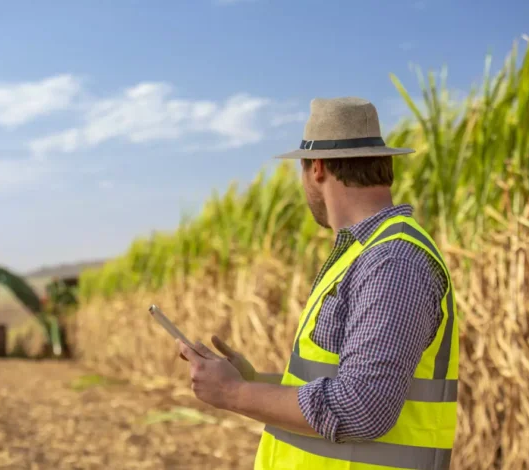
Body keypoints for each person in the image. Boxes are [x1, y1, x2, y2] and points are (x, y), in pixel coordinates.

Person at [176, 97, 458, 470]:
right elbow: (347, 380)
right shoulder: (363, 255)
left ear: (318, 168)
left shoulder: (391, 261)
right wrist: (256, 380)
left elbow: (361, 408)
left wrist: (233, 392)